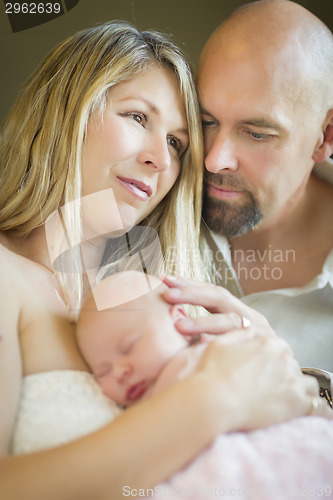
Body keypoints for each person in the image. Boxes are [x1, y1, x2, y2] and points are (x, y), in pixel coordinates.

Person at [0, 20, 318, 499]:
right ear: (64, 109)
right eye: (137, 117)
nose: (160, 160)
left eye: (176, 143)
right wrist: (216, 398)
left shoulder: (162, 299)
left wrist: (284, 377)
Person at [76, 270, 333, 496]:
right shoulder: (124, 416)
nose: (120, 371)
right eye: (103, 371)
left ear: (179, 319)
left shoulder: (213, 354)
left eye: (130, 346)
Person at [195, 0, 333, 373]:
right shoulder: (149, 202)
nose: (214, 160)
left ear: (325, 136)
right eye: (207, 121)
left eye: (256, 133)